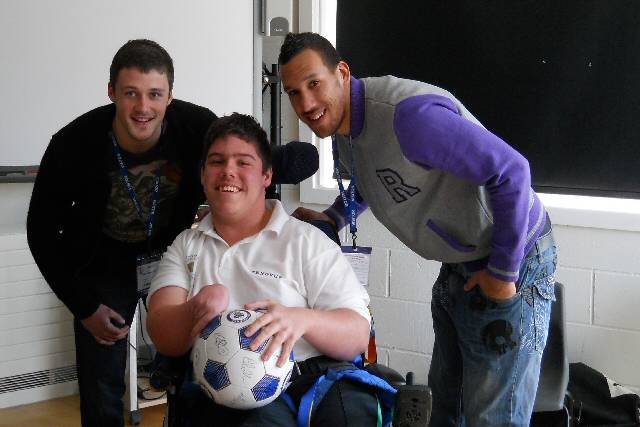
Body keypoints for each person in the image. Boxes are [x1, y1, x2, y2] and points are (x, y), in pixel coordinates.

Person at [278, 32, 558, 427]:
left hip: (513, 260)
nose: (305, 104)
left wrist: (503, 274)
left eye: (313, 84)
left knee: (494, 418)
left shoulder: (408, 118)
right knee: (445, 406)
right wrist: (335, 217)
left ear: (341, 72)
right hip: (460, 265)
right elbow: (371, 180)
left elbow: (512, 171)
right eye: (293, 92)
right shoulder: (345, 125)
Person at [26, 39, 217, 426]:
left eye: (155, 94)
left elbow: (242, 171)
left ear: (170, 97)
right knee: (101, 388)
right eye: (130, 93)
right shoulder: (72, 144)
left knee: (196, 370)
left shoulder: (199, 128)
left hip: (175, 259)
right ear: (111, 91)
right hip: (103, 267)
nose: (143, 108)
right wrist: (84, 307)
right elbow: (41, 232)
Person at [146, 113, 381, 426]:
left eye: (243, 162)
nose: (228, 171)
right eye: (216, 161)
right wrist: (195, 310)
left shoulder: (306, 240)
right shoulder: (186, 245)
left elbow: (356, 335)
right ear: (203, 174)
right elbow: (163, 334)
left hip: (313, 379)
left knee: (353, 413)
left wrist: (301, 319)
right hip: (230, 390)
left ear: (266, 175)